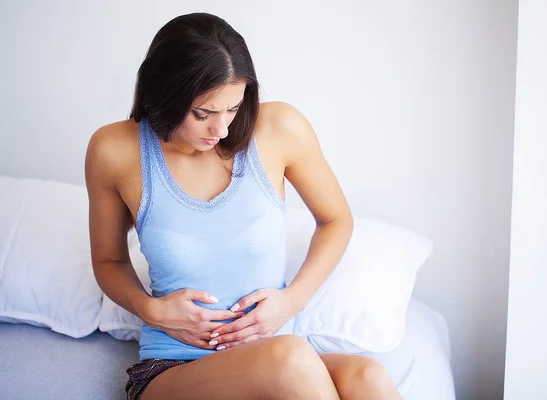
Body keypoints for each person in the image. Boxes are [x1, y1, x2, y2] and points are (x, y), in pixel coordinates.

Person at [84, 12, 402, 400]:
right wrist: (152, 311)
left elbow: (336, 220)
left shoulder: (281, 128)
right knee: (289, 359)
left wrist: (292, 300)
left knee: (368, 377)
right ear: (165, 94)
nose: (221, 130)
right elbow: (109, 262)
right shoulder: (114, 150)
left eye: (232, 109)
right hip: (176, 368)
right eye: (203, 113)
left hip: (282, 362)